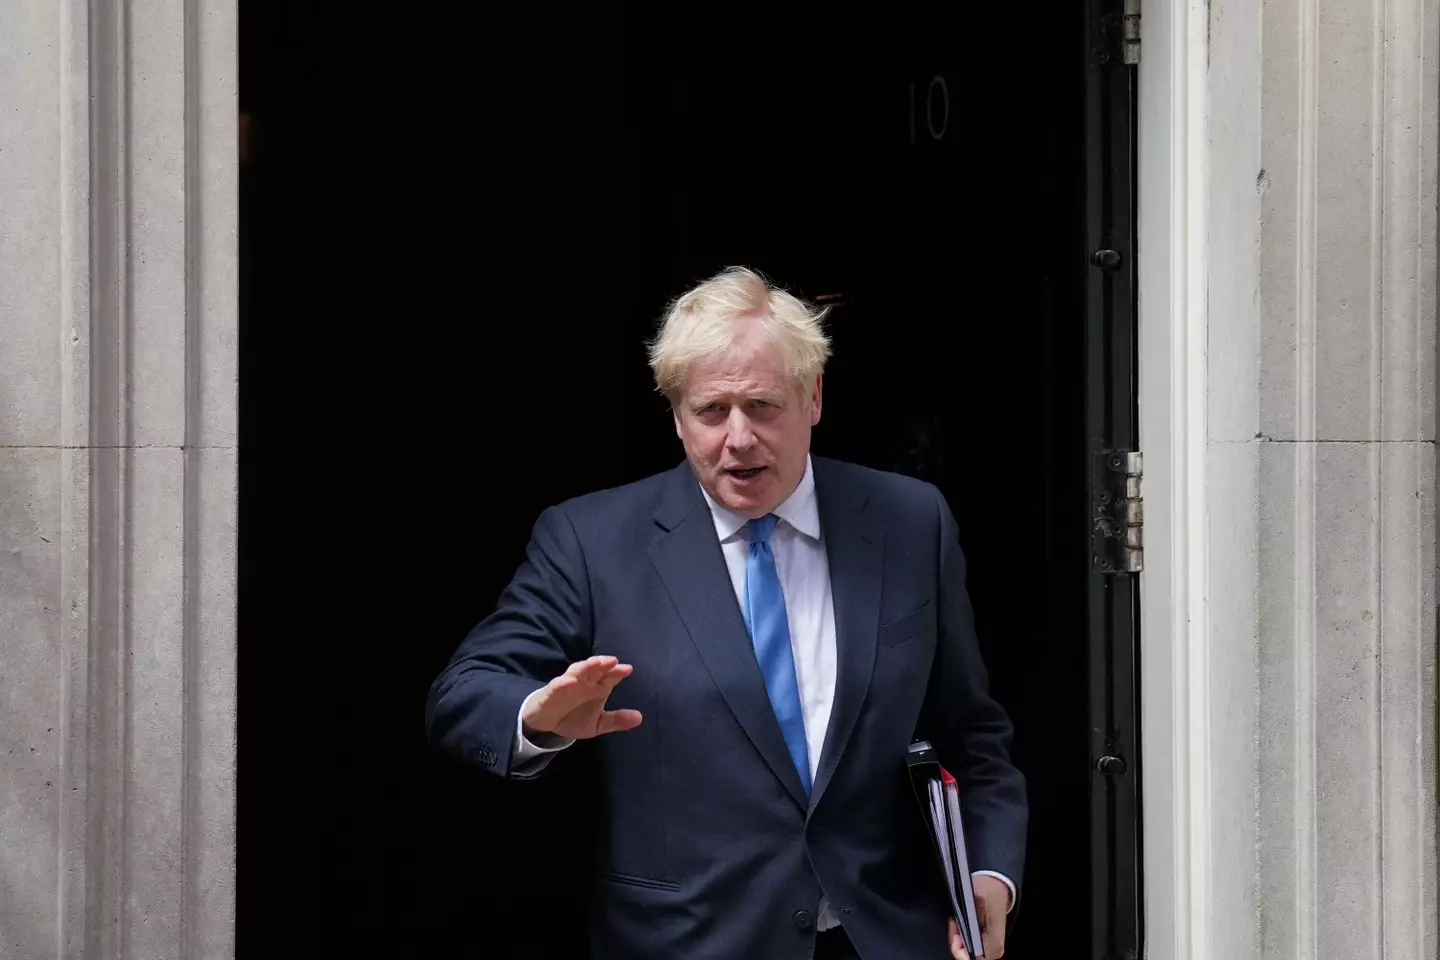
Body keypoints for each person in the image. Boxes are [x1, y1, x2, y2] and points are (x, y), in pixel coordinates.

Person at [426, 267, 1027, 959]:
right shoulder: (592, 541)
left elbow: (975, 736)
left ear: (814, 398)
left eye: (763, 406)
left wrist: (988, 874)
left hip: (884, 939)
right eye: (711, 411)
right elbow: (463, 692)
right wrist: (537, 716)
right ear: (678, 417)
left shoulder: (910, 522)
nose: (738, 438)